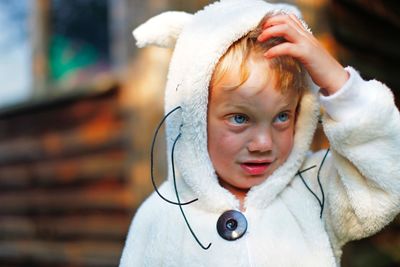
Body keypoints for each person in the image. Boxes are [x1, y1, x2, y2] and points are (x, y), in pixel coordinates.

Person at [120, 0, 400, 266]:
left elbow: (386, 174)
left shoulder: (317, 188)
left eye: (282, 116)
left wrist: (337, 82)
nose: (263, 143)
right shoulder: (160, 216)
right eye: (240, 118)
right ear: (194, 118)